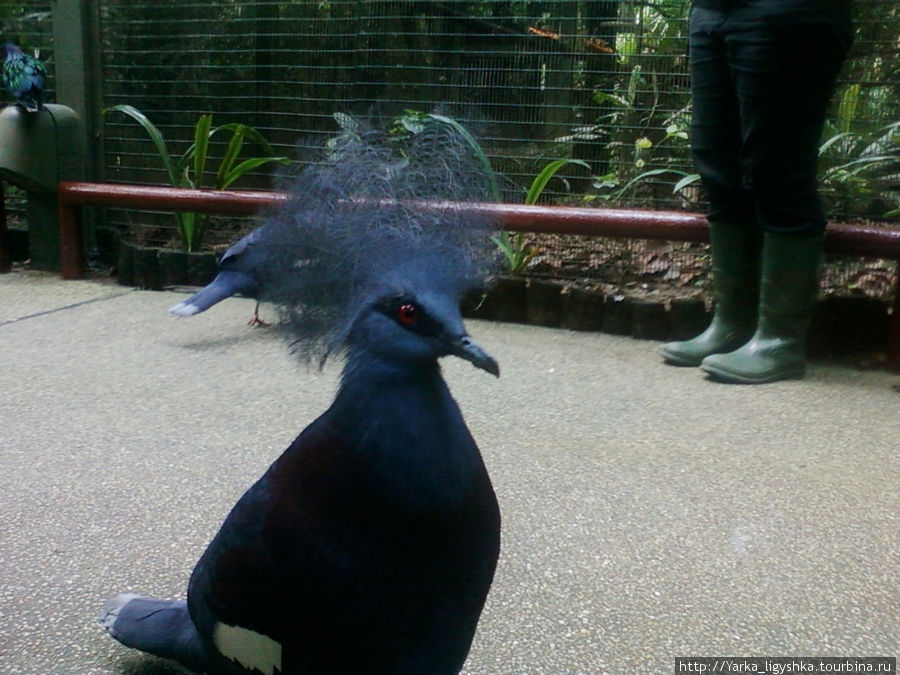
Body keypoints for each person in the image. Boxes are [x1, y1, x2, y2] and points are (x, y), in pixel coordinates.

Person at [661, 0, 854, 383]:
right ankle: (732, 326)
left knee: (776, 165)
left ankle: (779, 341)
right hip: (712, 11)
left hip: (787, 11)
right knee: (717, 164)